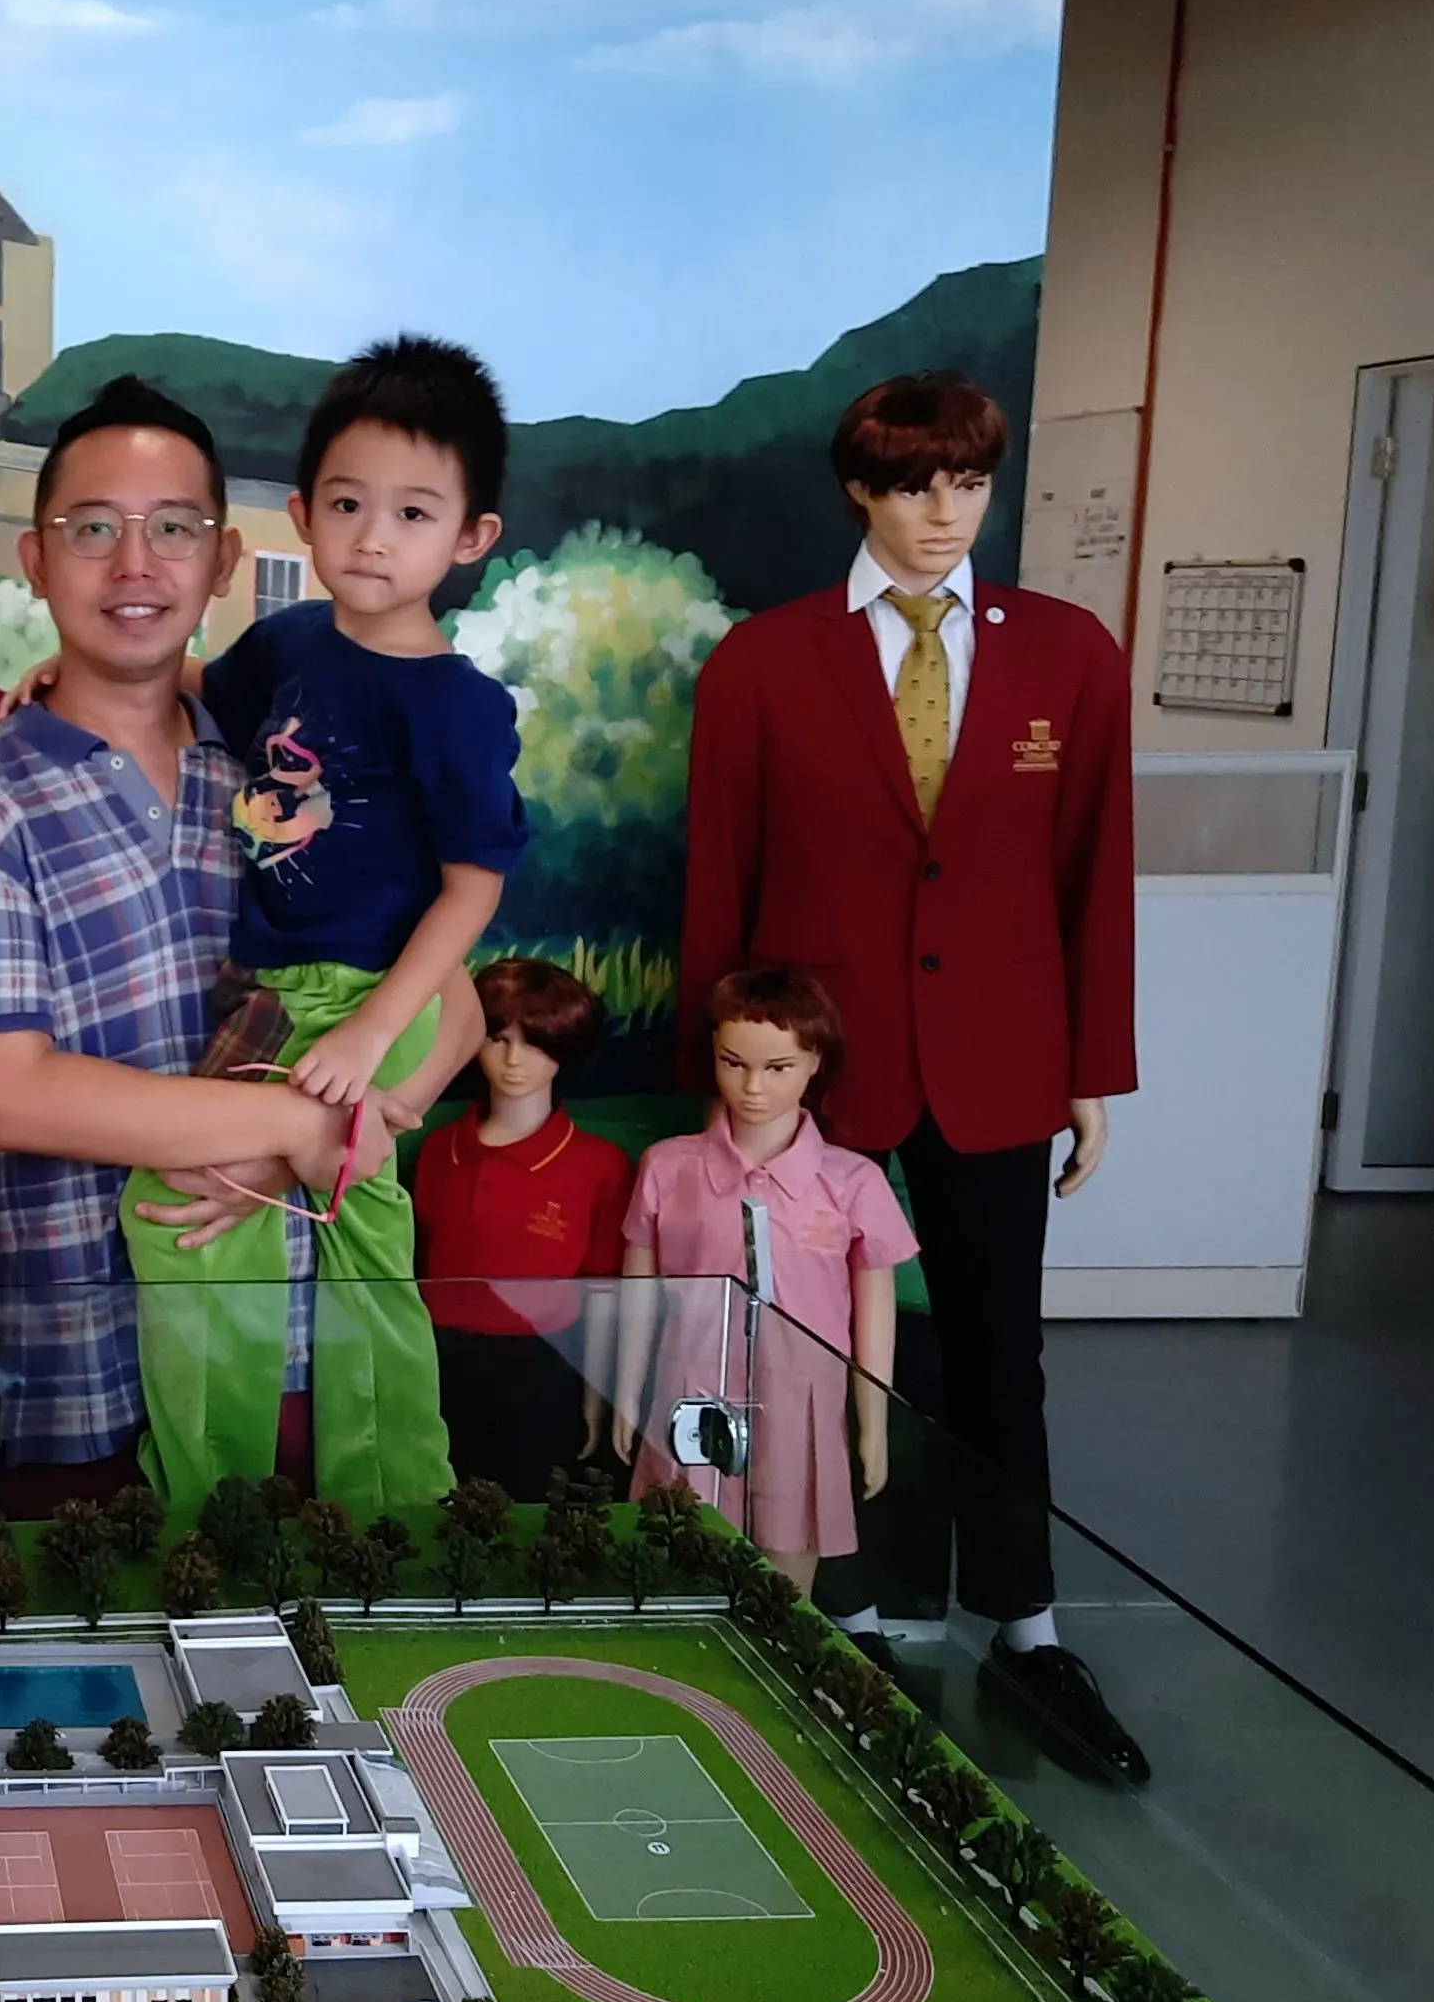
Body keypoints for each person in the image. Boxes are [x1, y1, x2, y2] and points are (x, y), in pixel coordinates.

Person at [679, 369, 1145, 1778]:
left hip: (1000, 1061)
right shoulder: (764, 663)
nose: (945, 512)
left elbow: (1095, 870)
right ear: (859, 490)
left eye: (970, 483)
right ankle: (844, 1611)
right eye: (912, 484)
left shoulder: (1068, 653)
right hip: (817, 1075)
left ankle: (1027, 1627)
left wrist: (1090, 1066)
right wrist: (723, 1079)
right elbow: (718, 886)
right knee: (808, 1347)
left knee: (1004, 1351)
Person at [0, 377, 472, 1512]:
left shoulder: (289, 772)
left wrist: (323, 1140)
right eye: (93, 529)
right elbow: (6, 1094)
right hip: (82, 1375)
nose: (135, 564)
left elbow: (451, 1008)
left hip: (306, 1346)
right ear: (35, 558)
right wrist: (299, 1128)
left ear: (223, 560)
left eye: (173, 528)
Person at [118, 336, 527, 1513]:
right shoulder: (293, 641)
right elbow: (201, 689)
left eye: (413, 513)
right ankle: (221, 1509)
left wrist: (373, 1035)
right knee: (196, 1213)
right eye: (347, 505)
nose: (372, 537)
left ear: (471, 538)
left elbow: (475, 887)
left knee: (329, 1245)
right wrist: (73, 664)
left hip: (371, 997)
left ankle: (386, 1513)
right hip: (278, 990)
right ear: (302, 514)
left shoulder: (457, 704)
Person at [610, 968, 916, 1597]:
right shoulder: (668, 1166)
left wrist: (874, 1424)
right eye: (734, 1063)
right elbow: (637, 1292)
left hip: (802, 1397)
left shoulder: (853, 1182)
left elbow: (874, 1316)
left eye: (778, 1068)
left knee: (786, 1566)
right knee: (683, 1552)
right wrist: (625, 1392)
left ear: (815, 1063)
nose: (752, 1087)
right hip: (690, 1387)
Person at [412, 957, 634, 1500]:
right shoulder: (439, 1151)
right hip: (438, 1363)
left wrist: (595, 1397)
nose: (514, 1061)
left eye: (537, 1043)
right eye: (498, 1039)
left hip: (545, 1368)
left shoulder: (599, 1167)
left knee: (533, 1512)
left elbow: (604, 1294)